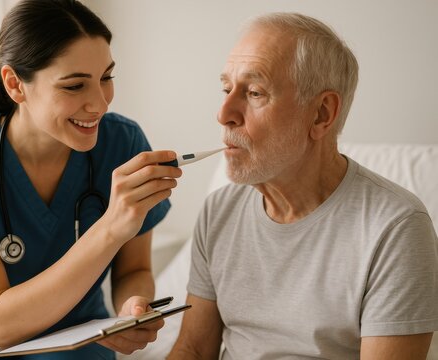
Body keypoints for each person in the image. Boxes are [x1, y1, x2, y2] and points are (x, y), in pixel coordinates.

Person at [0, 0, 182, 359]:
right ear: (15, 84)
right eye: (74, 86)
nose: (100, 103)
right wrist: (110, 227)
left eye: (106, 78)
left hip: (76, 327)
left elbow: (135, 269)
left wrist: (133, 308)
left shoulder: (123, 143)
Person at [168, 12, 438, 359]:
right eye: (225, 88)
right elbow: (192, 349)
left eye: (253, 92)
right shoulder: (219, 211)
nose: (224, 113)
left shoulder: (396, 228)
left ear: (321, 114)